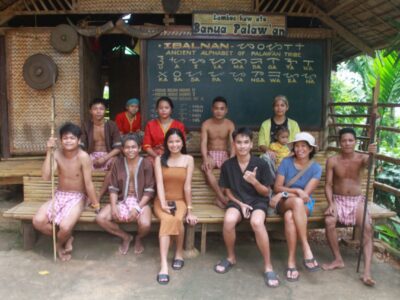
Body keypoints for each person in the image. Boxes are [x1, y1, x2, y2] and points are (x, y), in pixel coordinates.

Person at [214, 127, 279, 288]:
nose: (242, 146)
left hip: (258, 201)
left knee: (257, 223)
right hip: (237, 201)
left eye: (246, 142)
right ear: (233, 144)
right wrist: (241, 204)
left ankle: (268, 266)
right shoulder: (228, 165)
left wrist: (254, 182)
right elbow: (227, 191)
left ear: (251, 145)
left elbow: (266, 192)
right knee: (229, 220)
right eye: (239, 142)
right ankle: (230, 257)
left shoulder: (261, 163)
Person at [32, 122, 99, 261]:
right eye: (65, 138)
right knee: (38, 221)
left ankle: (59, 245)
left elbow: (88, 183)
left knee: (65, 226)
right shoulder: (56, 154)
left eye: (72, 138)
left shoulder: (83, 157)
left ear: (79, 140)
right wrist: (48, 151)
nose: (68, 141)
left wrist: (96, 204)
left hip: (78, 197)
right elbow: (46, 177)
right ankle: (67, 237)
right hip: (60, 194)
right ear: (60, 140)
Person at [322, 128, 377, 287]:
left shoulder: (362, 158)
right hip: (338, 200)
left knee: (367, 228)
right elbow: (328, 185)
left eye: (350, 140)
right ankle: (338, 259)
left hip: (357, 200)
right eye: (344, 140)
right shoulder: (332, 160)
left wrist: (373, 154)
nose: (347, 143)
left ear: (355, 142)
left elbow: (370, 163)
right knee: (329, 222)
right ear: (340, 142)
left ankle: (367, 272)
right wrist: (331, 203)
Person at [270, 132, 321, 282]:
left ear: (311, 149)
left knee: (289, 217)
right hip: (285, 202)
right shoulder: (286, 162)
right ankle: (306, 247)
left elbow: (306, 195)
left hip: (303, 203)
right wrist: (295, 191)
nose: (300, 149)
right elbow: (277, 187)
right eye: (297, 146)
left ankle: (291, 261)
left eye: (304, 146)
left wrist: (292, 193)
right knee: (295, 204)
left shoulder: (316, 168)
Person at [96, 134, 155, 255]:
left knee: (145, 224)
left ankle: (138, 238)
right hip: (122, 200)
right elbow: (113, 188)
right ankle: (125, 237)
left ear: (139, 148)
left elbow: (149, 190)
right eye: (127, 147)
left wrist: (137, 208)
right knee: (100, 218)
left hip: (141, 201)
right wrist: (113, 207)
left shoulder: (146, 163)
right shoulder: (118, 163)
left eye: (134, 147)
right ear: (122, 149)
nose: (130, 150)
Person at [153, 128, 198, 285]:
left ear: (182, 142)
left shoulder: (188, 159)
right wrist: (163, 202)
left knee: (178, 218)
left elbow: (187, 187)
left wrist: (190, 210)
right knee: (166, 219)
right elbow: (159, 183)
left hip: (179, 201)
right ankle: (164, 265)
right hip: (162, 200)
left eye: (177, 141)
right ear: (166, 143)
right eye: (171, 141)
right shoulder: (159, 159)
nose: (174, 144)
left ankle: (179, 253)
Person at [201, 96, 235, 208]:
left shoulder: (230, 124)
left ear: (226, 110)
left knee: (229, 168)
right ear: (212, 109)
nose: (219, 111)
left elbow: (233, 143)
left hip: (224, 153)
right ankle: (221, 197)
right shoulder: (206, 124)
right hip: (211, 154)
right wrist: (205, 158)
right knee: (207, 168)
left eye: (222, 108)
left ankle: (217, 199)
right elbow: (203, 143)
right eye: (216, 108)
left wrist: (232, 157)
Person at [81, 98, 121, 172]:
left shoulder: (112, 125)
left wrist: (104, 158)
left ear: (105, 110)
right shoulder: (86, 126)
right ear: (90, 111)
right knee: (81, 162)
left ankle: (110, 183)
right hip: (90, 156)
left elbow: (118, 148)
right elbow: (81, 146)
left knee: (116, 162)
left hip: (109, 156)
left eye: (101, 109)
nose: (98, 111)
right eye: (95, 109)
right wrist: (88, 158)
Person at [142, 97, 186, 163]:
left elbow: (182, 144)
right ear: (156, 110)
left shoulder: (179, 125)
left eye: (166, 108)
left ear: (171, 110)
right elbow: (146, 146)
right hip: (154, 155)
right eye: (161, 108)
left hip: (174, 154)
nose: (164, 110)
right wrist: (157, 157)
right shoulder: (150, 125)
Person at [258, 95, 300, 163]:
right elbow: (261, 144)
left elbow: (298, 143)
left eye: (282, 105)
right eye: (276, 105)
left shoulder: (294, 124)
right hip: (272, 156)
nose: (279, 108)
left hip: (289, 155)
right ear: (273, 108)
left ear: (287, 107)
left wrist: (290, 154)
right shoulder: (265, 124)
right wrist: (269, 151)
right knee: (266, 158)